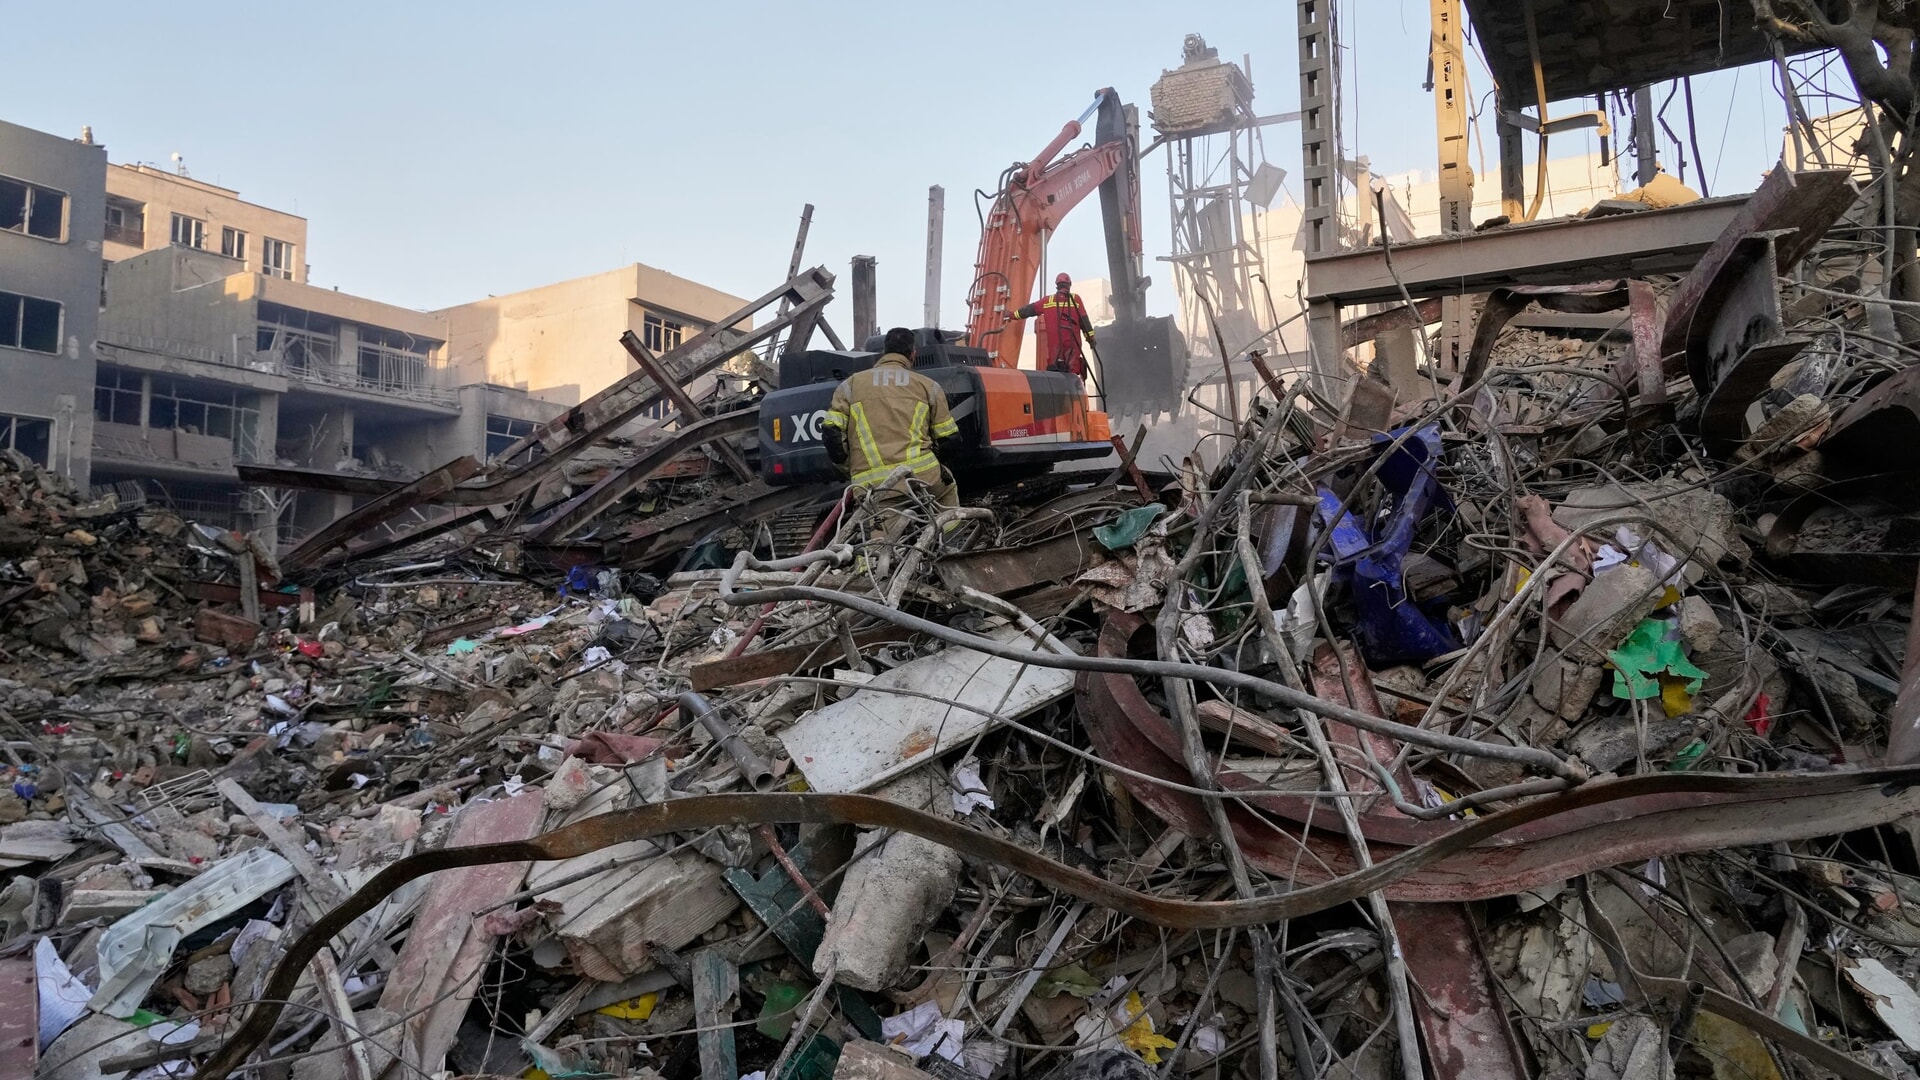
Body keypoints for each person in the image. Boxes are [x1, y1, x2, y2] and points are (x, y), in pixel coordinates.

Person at [821, 327, 963, 512]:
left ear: (884, 353)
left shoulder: (850, 386)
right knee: (948, 495)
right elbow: (949, 440)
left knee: (881, 535)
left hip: (872, 485)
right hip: (921, 477)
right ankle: (952, 538)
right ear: (913, 354)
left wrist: (849, 468)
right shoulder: (928, 387)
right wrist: (939, 466)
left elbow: (831, 433)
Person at [1008, 272, 1096, 376]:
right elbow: (1084, 321)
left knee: (1054, 370)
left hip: (1055, 352)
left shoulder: (1047, 301)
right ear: (1069, 284)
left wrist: (1012, 315)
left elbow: (1029, 310)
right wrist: (1091, 339)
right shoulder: (1076, 299)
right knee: (1073, 371)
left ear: (1057, 285)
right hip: (1072, 348)